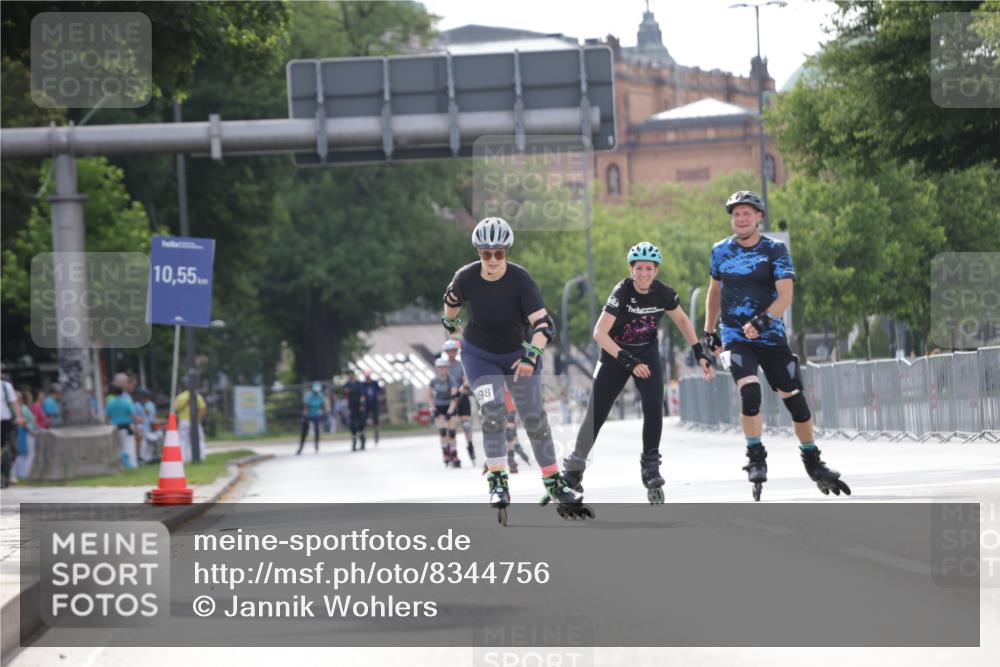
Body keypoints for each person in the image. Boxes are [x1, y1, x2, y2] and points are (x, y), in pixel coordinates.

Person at [442, 216, 592, 523]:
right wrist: (451, 325)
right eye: (486, 253)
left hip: (518, 354)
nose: (493, 260)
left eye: (499, 253)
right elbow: (451, 302)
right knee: (493, 411)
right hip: (479, 354)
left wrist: (531, 355)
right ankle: (497, 481)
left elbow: (543, 324)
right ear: (479, 253)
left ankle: (553, 482)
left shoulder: (520, 279)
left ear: (507, 253)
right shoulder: (466, 277)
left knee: (534, 417)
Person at [703, 190, 851, 501]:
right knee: (750, 390)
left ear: (759, 217)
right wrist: (709, 331)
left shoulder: (775, 250)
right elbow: (714, 292)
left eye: (746, 213)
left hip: (770, 337)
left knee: (795, 401)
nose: (740, 219)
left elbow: (785, 296)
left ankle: (813, 461)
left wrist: (763, 321)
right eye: (735, 214)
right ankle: (755, 456)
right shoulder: (720, 251)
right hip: (735, 336)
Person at [559, 241, 714, 504]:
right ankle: (574, 470)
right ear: (632, 269)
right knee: (596, 413)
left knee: (654, 405)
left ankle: (650, 465)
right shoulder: (622, 292)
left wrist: (699, 351)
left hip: (647, 354)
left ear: (656, 271)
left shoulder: (663, 293)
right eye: (639, 268)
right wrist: (628, 360)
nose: (643, 273)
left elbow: (683, 321)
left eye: (649, 268)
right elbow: (599, 333)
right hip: (615, 355)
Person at [442, 340, 477, 464]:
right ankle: (453, 452)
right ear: (446, 352)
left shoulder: (461, 365)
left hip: (461, 396)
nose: (451, 353)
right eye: (449, 351)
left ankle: (470, 446)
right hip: (449, 399)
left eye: (453, 351)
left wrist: (461, 389)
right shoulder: (443, 366)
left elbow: (466, 379)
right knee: (450, 427)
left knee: (466, 425)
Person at [428, 357, 461, 467]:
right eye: (440, 368)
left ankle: (454, 453)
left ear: (447, 368)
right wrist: (433, 408)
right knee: (442, 431)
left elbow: (454, 396)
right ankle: (445, 453)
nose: (442, 370)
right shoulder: (434, 381)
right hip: (438, 406)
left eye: (444, 368)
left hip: (450, 405)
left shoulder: (451, 380)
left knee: (451, 432)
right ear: (437, 369)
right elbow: (429, 395)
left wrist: (450, 411)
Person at [1, 371, 25, 488]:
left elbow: (14, 402)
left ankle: (6, 475)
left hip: (4, 421)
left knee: (7, 448)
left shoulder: (6, 386)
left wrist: (19, 417)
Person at [174, 383, 207, 463]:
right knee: (199, 439)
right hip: (194, 421)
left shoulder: (179, 397)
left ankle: (183, 459)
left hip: (183, 421)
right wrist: (199, 417)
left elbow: (176, 410)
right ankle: (201, 457)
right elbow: (203, 410)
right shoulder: (197, 396)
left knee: (183, 440)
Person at [107, 384, 137, 469]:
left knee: (118, 447)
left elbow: (107, 417)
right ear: (122, 392)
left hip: (114, 428)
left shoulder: (110, 403)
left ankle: (122, 465)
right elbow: (133, 415)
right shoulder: (127, 402)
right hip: (126, 427)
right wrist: (136, 427)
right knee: (129, 446)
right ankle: (132, 465)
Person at [15, 387, 40, 480]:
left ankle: (19, 474)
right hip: (27, 433)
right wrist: (31, 431)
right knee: (29, 454)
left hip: (21, 433)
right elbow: (25, 422)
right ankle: (25, 474)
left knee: (20, 455)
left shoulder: (17, 409)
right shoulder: (24, 408)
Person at [298, 382, 327, 455]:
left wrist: (324, 412)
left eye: (317, 391)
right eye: (315, 391)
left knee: (317, 430)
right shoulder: (308, 396)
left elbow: (323, 405)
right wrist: (305, 415)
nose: (316, 393)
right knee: (304, 431)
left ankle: (316, 444)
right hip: (308, 414)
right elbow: (305, 407)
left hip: (316, 414)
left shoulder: (321, 396)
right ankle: (301, 446)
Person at [343, 370, 368, 451]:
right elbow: (345, 395)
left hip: (359, 406)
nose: (350, 376)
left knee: (361, 424)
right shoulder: (347, 384)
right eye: (348, 375)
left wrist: (362, 405)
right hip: (351, 407)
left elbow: (362, 395)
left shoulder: (358, 384)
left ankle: (362, 442)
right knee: (352, 425)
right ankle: (354, 443)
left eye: (350, 374)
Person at [137, 389, 162, 463]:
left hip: (146, 426)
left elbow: (148, 415)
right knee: (147, 444)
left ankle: (145, 458)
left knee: (145, 444)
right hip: (148, 426)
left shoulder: (144, 405)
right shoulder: (150, 404)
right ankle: (148, 458)